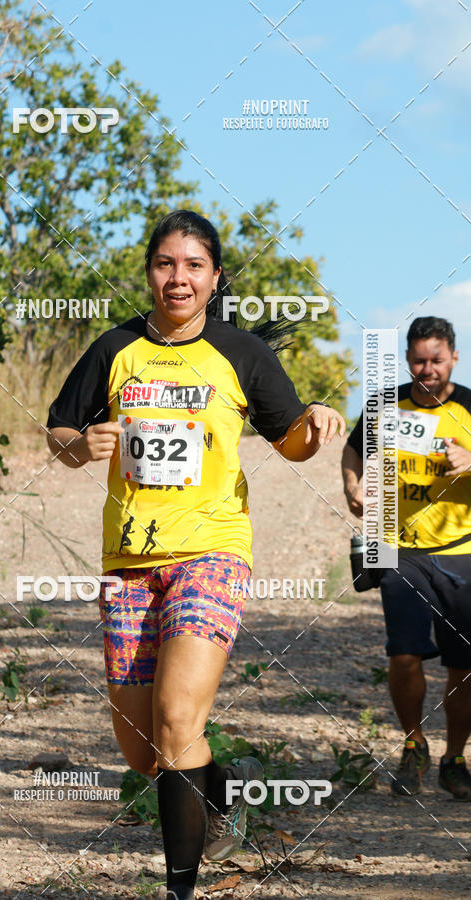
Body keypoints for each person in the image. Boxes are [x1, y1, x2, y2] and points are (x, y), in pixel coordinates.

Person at [47, 210, 345, 900]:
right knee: (146, 751)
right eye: (164, 263)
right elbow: (61, 432)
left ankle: (179, 891)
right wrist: (76, 446)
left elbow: (291, 440)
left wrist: (317, 423)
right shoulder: (114, 350)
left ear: (214, 278)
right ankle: (224, 791)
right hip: (129, 562)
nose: (177, 277)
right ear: (149, 271)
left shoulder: (240, 354)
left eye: (193, 266)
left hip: (211, 551)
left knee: (179, 720)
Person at [342, 316, 471, 799]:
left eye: (436, 360)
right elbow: (353, 451)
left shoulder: (469, 406)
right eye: (418, 360)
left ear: (453, 358)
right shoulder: (383, 405)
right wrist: (353, 486)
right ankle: (413, 743)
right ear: (407, 360)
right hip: (400, 548)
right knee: (403, 653)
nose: (427, 369)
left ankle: (455, 757)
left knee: (464, 667)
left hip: (463, 552)